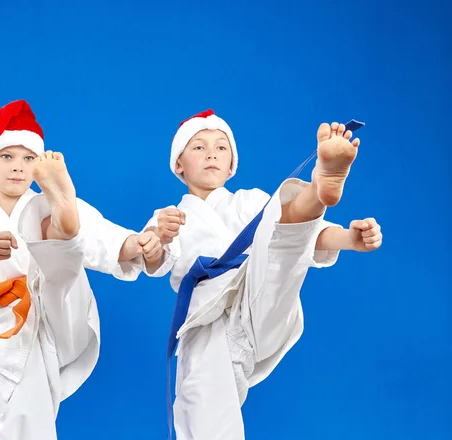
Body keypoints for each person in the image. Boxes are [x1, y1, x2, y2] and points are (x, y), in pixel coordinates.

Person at [141, 109, 383, 440]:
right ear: (178, 164)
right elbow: (152, 257)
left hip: (257, 294)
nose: (211, 152)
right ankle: (313, 193)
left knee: (279, 237)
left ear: (231, 165)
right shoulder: (170, 216)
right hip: (205, 322)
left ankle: (317, 191)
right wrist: (160, 237)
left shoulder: (248, 201)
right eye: (198, 147)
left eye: (221, 147)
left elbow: (304, 239)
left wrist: (349, 239)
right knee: (203, 412)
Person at [0, 99, 161, 440]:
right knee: (29, 407)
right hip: (9, 318)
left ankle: (62, 227)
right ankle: (61, 232)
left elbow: (100, 233)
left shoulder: (38, 199)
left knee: (53, 230)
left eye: (29, 158)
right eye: (7, 157)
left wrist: (136, 244)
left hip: (59, 303)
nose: (18, 167)